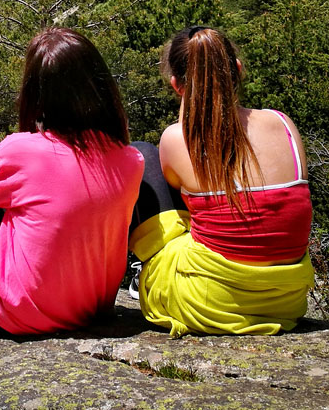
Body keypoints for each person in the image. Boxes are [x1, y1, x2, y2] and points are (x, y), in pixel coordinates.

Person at [0, 27, 145, 335]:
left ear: (36, 92)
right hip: (92, 310)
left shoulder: (21, 151)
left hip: (14, 313)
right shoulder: (130, 160)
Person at [129, 26, 314, 336]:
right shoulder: (283, 124)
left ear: (177, 86)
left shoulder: (177, 139)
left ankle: (146, 276)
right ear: (238, 70)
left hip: (209, 302)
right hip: (287, 303)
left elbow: (174, 188)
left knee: (144, 154)